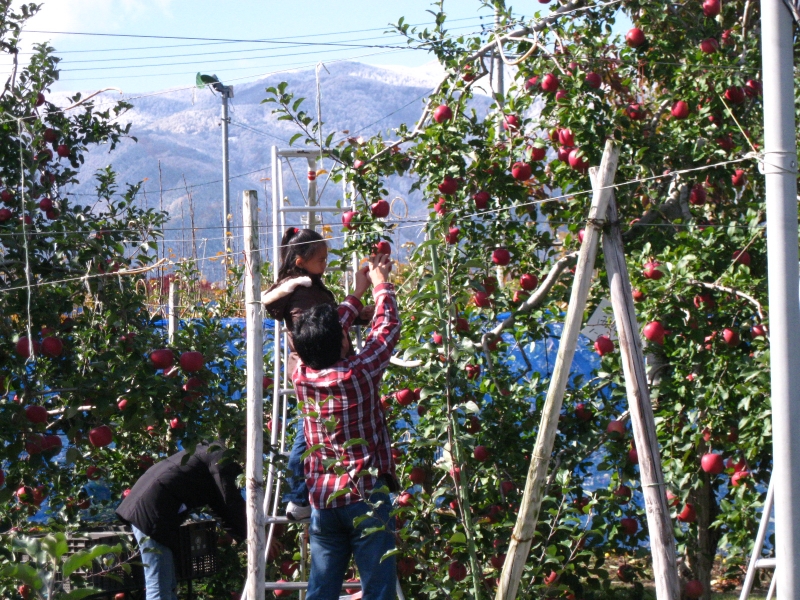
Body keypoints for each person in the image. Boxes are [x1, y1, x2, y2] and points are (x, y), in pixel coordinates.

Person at [291, 252, 400, 600]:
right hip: (365, 496)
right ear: (340, 340)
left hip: (324, 502)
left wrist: (357, 291)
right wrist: (381, 286)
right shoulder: (359, 373)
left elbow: (320, 337)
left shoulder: (301, 376)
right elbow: (386, 328)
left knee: (320, 591)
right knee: (378, 590)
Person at [261, 227, 373, 521]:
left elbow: (330, 322)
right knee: (309, 431)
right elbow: (319, 332)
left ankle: (304, 495)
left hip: (314, 367)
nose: (325, 263)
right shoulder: (300, 293)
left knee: (316, 427)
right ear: (300, 261)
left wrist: (358, 315)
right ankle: (298, 497)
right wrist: (357, 297)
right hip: (314, 368)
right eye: (321, 259)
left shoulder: (310, 287)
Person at [116, 442, 246, 600]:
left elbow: (217, 502)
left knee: (167, 585)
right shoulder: (220, 458)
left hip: (151, 511)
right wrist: (254, 533)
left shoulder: (208, 452)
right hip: (152, 514)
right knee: (159, 586)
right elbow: (229, 499)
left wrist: (238, 533)